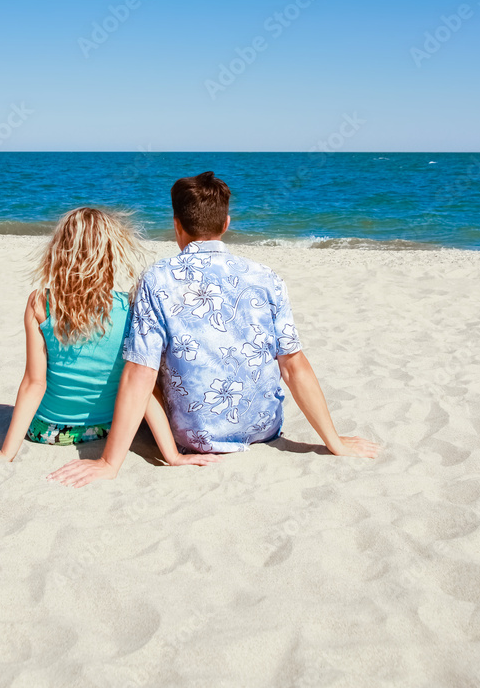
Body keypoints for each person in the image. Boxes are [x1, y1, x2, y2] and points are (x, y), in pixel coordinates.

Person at [48, 173, 380, 489]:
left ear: (176, 226)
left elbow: (140, 373)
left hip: (191, 436)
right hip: (262, 429)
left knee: (148, 357)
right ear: (226, 224)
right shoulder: (266, 278)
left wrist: (109, 463)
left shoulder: (157, 278)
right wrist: (333, 441)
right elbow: (293, 365)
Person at [0, 206, 221, 468]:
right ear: (108, 255)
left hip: (47, 431)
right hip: (106, 428)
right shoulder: (129, 308)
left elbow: (34, 383)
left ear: (59, 252)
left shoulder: (40, 304)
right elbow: (144, 388)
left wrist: (5, 453)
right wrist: (172, 456)